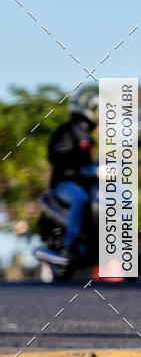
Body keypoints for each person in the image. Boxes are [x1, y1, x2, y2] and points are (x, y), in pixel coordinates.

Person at [38, 90, 99, 266]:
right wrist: (71, 164)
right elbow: (58, 154)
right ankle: (69, 245)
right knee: (81, 197)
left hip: (84, 182)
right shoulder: (65, 131)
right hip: (65, 183)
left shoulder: (88, 138)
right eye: (95, 109)